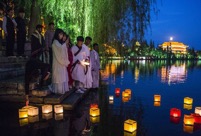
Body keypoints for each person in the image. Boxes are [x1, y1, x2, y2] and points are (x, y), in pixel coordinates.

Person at [50, 29, 69, 94]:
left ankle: (62, 90)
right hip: (57, 63)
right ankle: (58, 91)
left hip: (61, 63)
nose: (61, 36)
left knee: (62, 75)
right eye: (60, 34)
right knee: (59, 77)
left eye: (62, 34)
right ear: (57, 34)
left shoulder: (59, 43)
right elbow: (59, 51)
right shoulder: (55, 42)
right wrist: (64, 45)